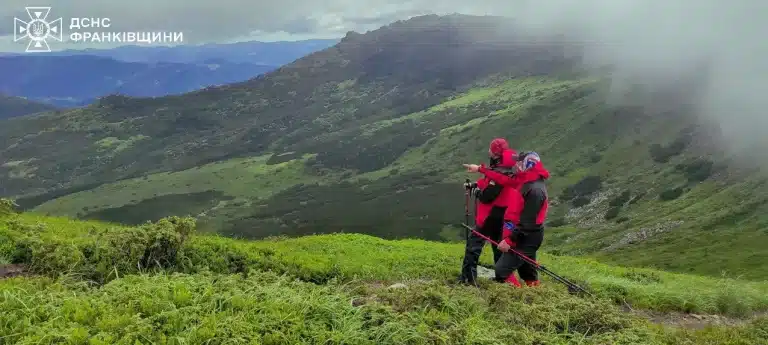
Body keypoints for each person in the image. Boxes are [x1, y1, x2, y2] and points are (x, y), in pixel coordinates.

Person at [463, 151, 550, 287]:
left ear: (528, 164)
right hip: (522, 233)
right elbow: (502, 178)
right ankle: (533, 290)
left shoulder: (535, 191)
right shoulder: (524, 179)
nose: (516, 164)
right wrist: (480, 169)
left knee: (502, 271)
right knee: (527, 270)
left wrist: (510, 240)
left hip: (528, 236)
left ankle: (517, 291)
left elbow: (528, 222)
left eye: (519, 162)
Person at [457, 138, 518, 286]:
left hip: (491, 215)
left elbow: (487, 196)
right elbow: (489, 180)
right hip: (501, 213)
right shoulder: (506, 167)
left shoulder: (500, 171)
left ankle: (468, 280)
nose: (488, 151)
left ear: (495, 153)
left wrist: (476, 191)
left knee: (473, 245)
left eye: (490, 149)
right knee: (497, 246)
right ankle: (503, 279)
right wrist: (475, 184)